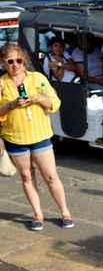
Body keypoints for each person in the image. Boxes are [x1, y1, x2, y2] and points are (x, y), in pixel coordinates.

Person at [0, 43, 74, 231]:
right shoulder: (2, 83)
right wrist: (12, 104)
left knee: (50, 176)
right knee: (26, 175)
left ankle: (65, 211)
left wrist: (39, 99)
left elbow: (55, 102)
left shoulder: (37, 78)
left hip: (39, 135)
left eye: (18, 60)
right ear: (3, 63)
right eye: (10, 61)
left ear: (23, 60)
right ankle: (37, 215)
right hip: (15, 137)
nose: (15, 65)